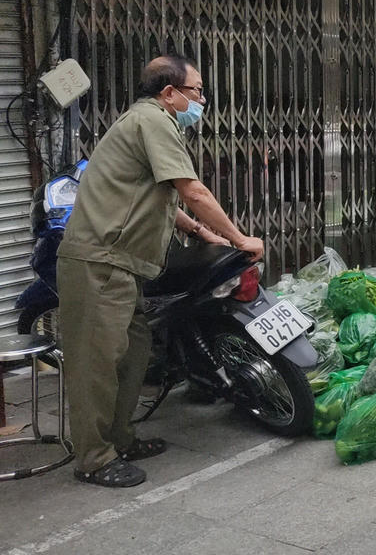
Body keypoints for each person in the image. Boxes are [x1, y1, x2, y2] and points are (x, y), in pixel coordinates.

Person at [58, 55, 266, 488]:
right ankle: (93, 459)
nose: (202, 100)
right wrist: (240, 237)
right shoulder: (153, 120)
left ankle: (120, 438)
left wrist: (200, 231)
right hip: (100, 261)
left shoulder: (146, 122)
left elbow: (159, 196)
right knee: (97, 364)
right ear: (169, 93)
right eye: (197, 91)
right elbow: (191, 188)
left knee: (132, 357)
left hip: (124, 265)